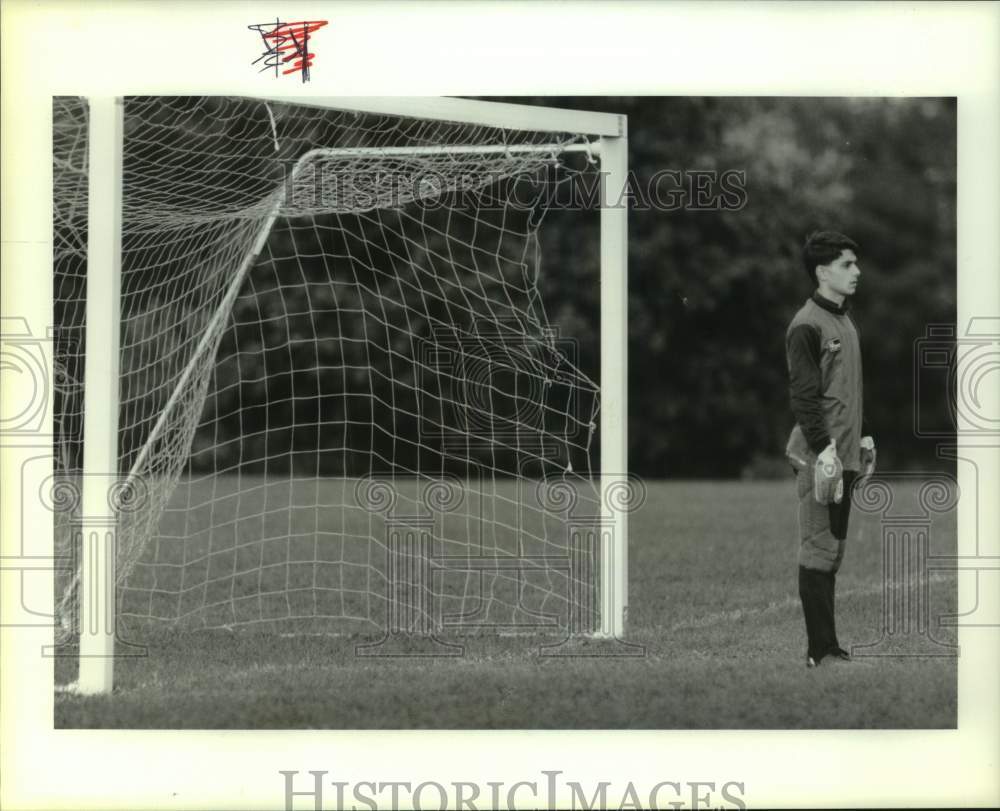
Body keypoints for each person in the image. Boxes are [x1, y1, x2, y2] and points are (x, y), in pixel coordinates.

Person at [785, 231, 876, 668]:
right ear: (823, 272)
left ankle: (829, 645)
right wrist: (824, 450)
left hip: (845, 453)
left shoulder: (845, 319)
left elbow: (845, 392)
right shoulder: (807, 324)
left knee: (834, 550)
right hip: (821, 457)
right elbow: (804, 397)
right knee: (818, 548)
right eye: (847, 264)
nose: (856, 271)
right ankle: (819, 651)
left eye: (855, 263)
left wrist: (862, 437)